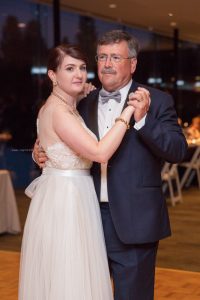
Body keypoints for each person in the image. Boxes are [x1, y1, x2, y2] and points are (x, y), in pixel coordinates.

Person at [34, 30, 188, 300]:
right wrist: (39, 152)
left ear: (133, 63)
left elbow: (177, 151)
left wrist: (142, 121)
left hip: (135, 222)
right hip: (83, 218)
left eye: (115, 57)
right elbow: (58, 138)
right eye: (102, 57)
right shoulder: (80, 103)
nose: (106, 64)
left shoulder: (156, 100)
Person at [18, 44, 136, 300]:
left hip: (73, 195)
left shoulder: (67, 105)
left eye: (82, 68)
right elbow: (99, 152)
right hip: (66, 202)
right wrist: (127, 112)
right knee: (68, 273)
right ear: (52, 75)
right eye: (69, 68)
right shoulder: (58, 111)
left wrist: (82, 95)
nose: (79, 75)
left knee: (73, 272)